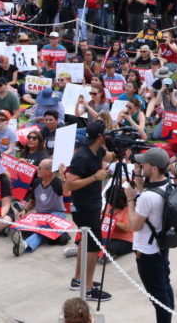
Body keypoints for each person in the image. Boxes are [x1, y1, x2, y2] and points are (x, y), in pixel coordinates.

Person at [63, 121, 113, 302]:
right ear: (100, 137)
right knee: (93, 245)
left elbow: (110, 156)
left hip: (92, 203)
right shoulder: (82, 157)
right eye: (105, 134)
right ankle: (88, 289)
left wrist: (123, 148)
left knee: (85, 241)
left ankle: (78, 279)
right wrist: (95, 177)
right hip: (84, 206)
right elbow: (69, 184)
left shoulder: (96, 150)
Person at [126, 147, 176, 323]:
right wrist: (139, 176)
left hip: (148, 253)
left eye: (145, 163)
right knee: (165, 289)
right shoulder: (168, 183)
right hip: (161, 245)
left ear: (153, 168)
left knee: (158, 300)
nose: (142, 164)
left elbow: (135, 225)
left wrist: (130, 199)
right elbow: (148, 191)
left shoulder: (147, 198)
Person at [12, 158, 71, 256]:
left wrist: (62, 176)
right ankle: (53, 235)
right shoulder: (36, 182)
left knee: (42, 229)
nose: (37, 169)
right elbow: (32, 201)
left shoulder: (56, 183)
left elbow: (67, 193)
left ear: (48, 171)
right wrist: (24, 210)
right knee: (17, 227)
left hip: (56, 214)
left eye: (39, 168)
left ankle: (25, 244)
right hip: (40, 215)